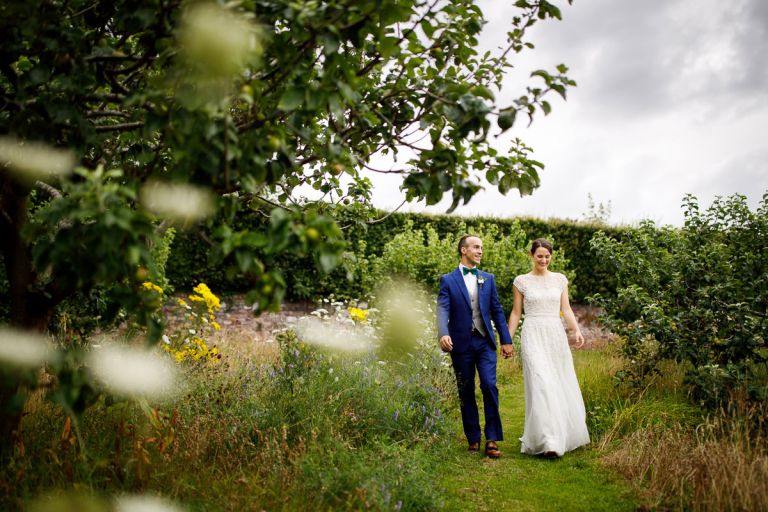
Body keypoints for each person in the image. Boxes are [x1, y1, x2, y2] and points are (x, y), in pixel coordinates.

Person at [507, 238, 590, 458]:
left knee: (557, 381)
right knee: (541, 382)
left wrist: (576, 330)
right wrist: (507, 339)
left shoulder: (560, 280)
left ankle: (558, 436)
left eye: (547, 256)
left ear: (551, 256)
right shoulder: (521, 281)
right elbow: (516, 313)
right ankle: (548, 441)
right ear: (531, 255)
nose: (543, 260)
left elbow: (567, 309)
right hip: (532, 333)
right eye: (539, 256)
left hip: (554, 334)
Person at [437, 235, 514, 458]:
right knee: (466, 390)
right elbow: (442, 309)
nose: (480, 251)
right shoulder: (448, 280)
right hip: (460, 344)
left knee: (489, 385)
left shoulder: (488, 278)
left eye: (481, 248)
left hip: (484, 342)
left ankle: (492, 439)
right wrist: (443, 333)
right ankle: (473, 437)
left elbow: (497, 310)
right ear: (464, 250)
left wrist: (506, 339)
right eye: (476, 247)